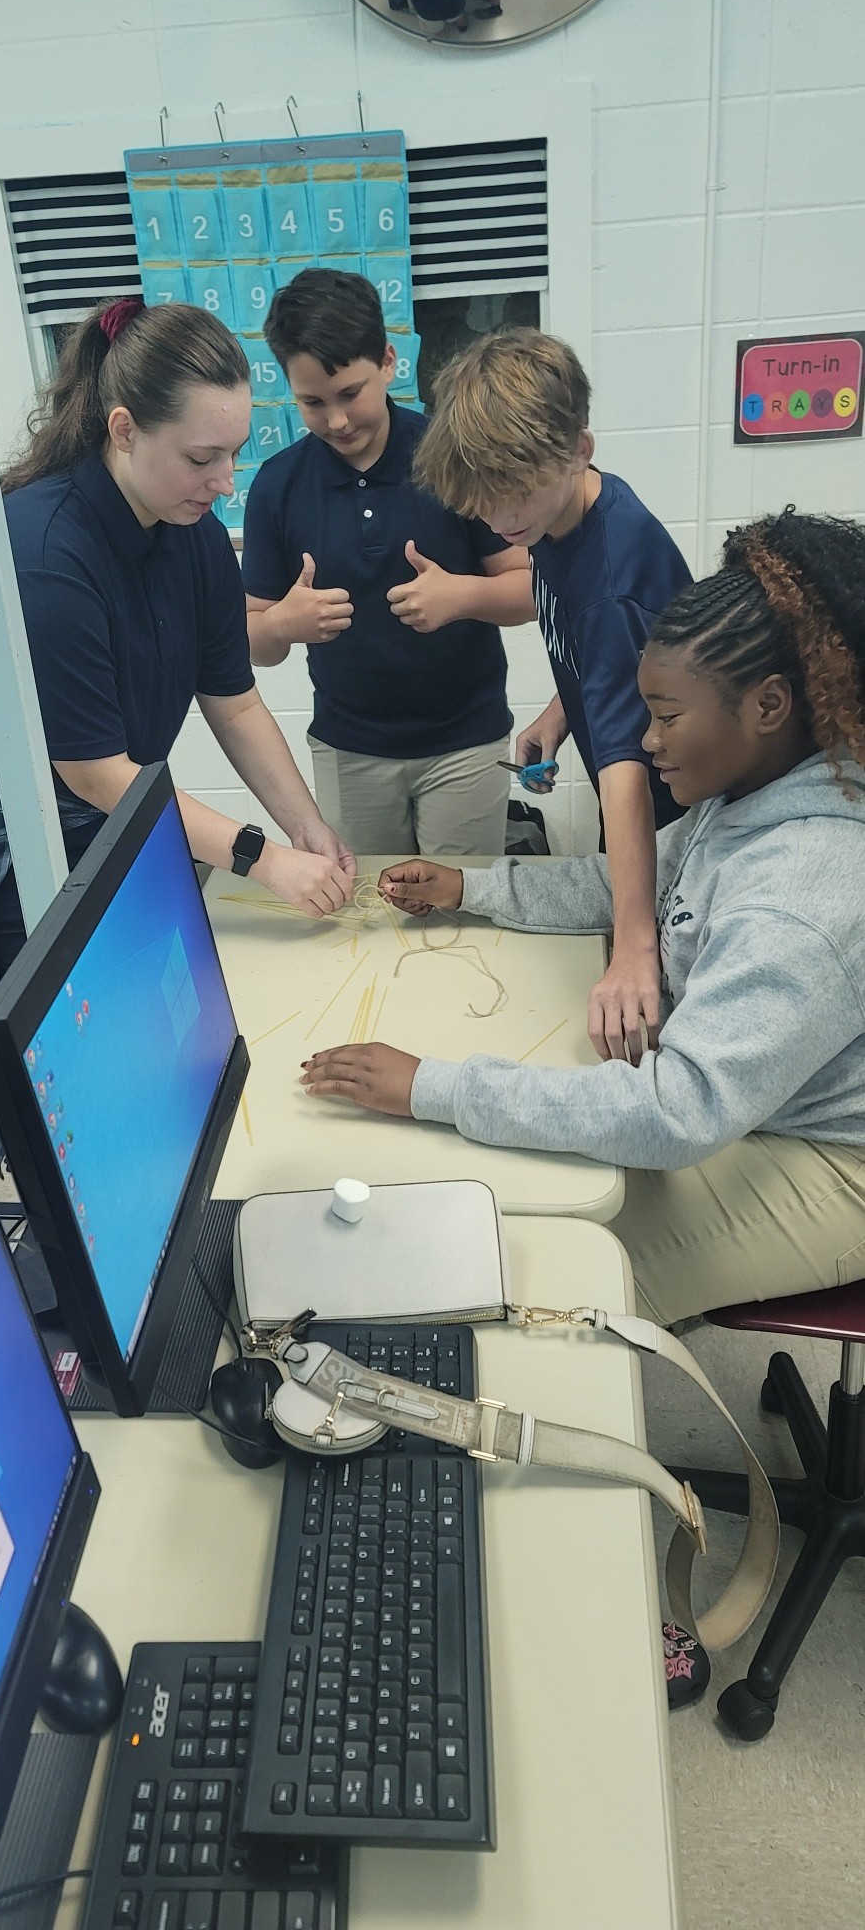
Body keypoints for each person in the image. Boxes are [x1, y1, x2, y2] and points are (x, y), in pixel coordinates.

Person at [300, 509, 865, 1328]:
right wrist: (473, 890)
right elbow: (630, 887)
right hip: (748, 1097)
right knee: (522, 1198)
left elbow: (680, 1109)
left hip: (826, 1159)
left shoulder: (801, 891)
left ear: (769, 705)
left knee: (553, 1276)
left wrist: (433, 1085)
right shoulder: (752, 794)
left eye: (668, 717)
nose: (647, 743)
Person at [0, 297, 355, 1154]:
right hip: (18, 838)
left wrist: (307, 824)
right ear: (123, 430)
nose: (227, 480)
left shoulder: (186, 526)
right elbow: (95, 773)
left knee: (158, 1037)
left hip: (115, 812)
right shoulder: (45, 549)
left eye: (235, 454)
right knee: (71, 1085)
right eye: (204, 457)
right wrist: (262, 858)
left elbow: (232, 700)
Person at [413, 327, 691, 1066]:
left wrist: (634, 949)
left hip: (672, 824)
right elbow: (619, 662)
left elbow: (628, 768)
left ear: (579, 447)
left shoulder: (611, 579)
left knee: (636, 1011)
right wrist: (560, 716)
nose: (501, 521)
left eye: (513, 496)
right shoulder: (562, 519)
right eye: (481, 506)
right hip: (636, 802)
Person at [242, 268, 535, 858]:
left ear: (388, 362)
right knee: (368, 920)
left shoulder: (456, 459)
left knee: (462, 913)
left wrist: (463, 597)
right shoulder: (276, 487)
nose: (337, 421)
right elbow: (251, 642)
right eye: (312, 403)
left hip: (466, 745)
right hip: (349, 751)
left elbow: (532, 589)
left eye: (350, 393)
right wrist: (281, 626)